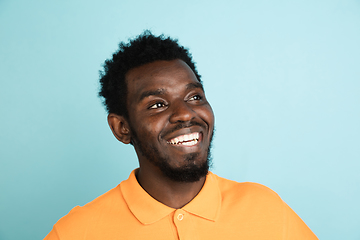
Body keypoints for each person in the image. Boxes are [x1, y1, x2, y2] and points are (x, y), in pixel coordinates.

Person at [44, 31, 318, 239]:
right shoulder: (75, 232)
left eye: (194, 96)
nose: (185, 114)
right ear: (122, 128)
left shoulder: (265, 209)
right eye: (157, 104)